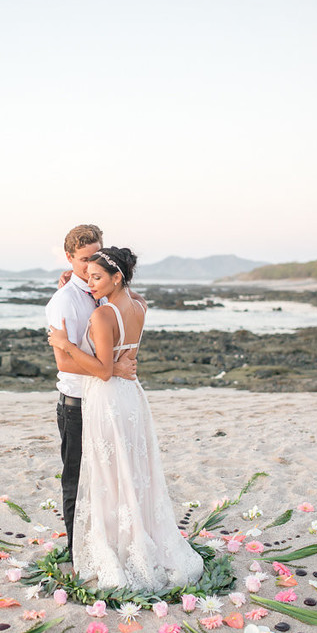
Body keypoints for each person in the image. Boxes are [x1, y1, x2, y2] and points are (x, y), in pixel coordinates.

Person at [48, 246, 203, 592]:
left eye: (97, 277)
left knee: (109, 475)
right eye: (88, 277)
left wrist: (65, 344)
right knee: (131, 473)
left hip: (107, 400)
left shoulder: (103, 316)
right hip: (131, 397)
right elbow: (129, 306)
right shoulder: (139, 306)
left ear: (116, 277)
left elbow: (103, 370)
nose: (90, 284)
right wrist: (75, 282)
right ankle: (136, 538)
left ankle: (119, 547)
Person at [45, 225, 137, 563]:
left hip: (106, 402)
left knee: (108, 480)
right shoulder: (64, 301)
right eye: (83, 260)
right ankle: (76, 553)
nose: (88, 266)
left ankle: (106, 546)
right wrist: (110, 369)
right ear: (69, 258)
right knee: (76, 479)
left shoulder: (103, 293)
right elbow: (63, 362)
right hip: (77, 404)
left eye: (94, 258)